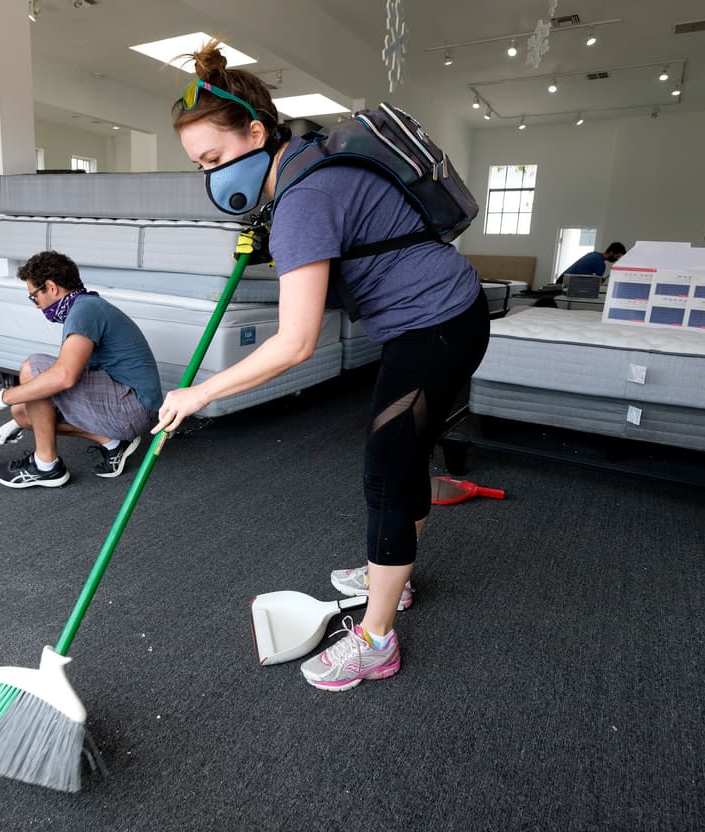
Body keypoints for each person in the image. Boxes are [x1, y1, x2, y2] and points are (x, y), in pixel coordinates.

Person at [156, 42, 490, 692]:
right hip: (443, 315)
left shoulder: (302, 203)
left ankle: (376, 639)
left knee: (387, 470)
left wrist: (200, 393)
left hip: (438, 325)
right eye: (200, 164)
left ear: (256, 133)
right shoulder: (308, 163)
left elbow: (295, 343)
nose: (211, 176)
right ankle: (392, 577)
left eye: (216, 159)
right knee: (403, 453)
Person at [0, 250, 162, 489]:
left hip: (133, 406)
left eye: (34, 297)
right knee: (22, 413)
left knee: (33, 368)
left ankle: (46, 467)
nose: (36, 306)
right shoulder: (84, 307)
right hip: (127, 403)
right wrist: (21, 419)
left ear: (51, 288)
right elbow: (71, 375)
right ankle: (111, 442)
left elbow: (64, 376)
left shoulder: (85, 311)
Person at [557, 241, 627, 282]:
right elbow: (596, 283)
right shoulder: (601, 264)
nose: (617, 259)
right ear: (611, 253)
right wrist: (601, 280)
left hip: (562, 278)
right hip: (566, 282)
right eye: (617, 256)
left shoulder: (593, 254)